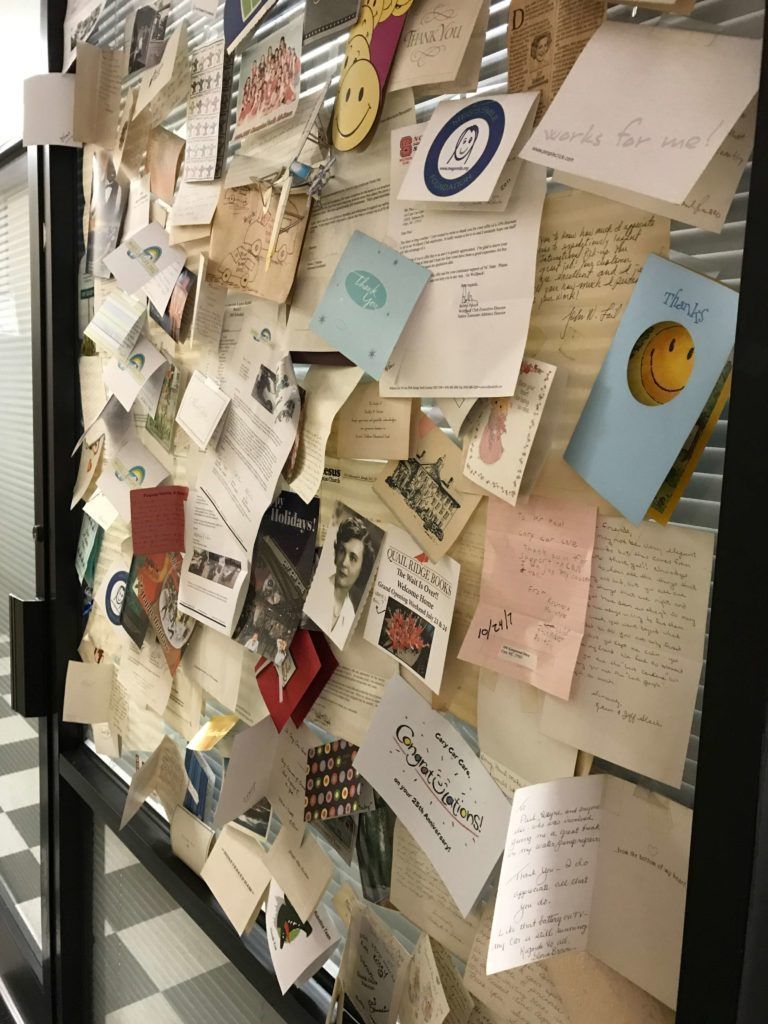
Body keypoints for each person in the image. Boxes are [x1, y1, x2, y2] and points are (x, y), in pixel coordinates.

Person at [327, 515, 374, 646]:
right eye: (342, 550)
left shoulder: (349, 615)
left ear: (362, 568)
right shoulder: (318, 588)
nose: (344, 562)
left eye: (353, 558)